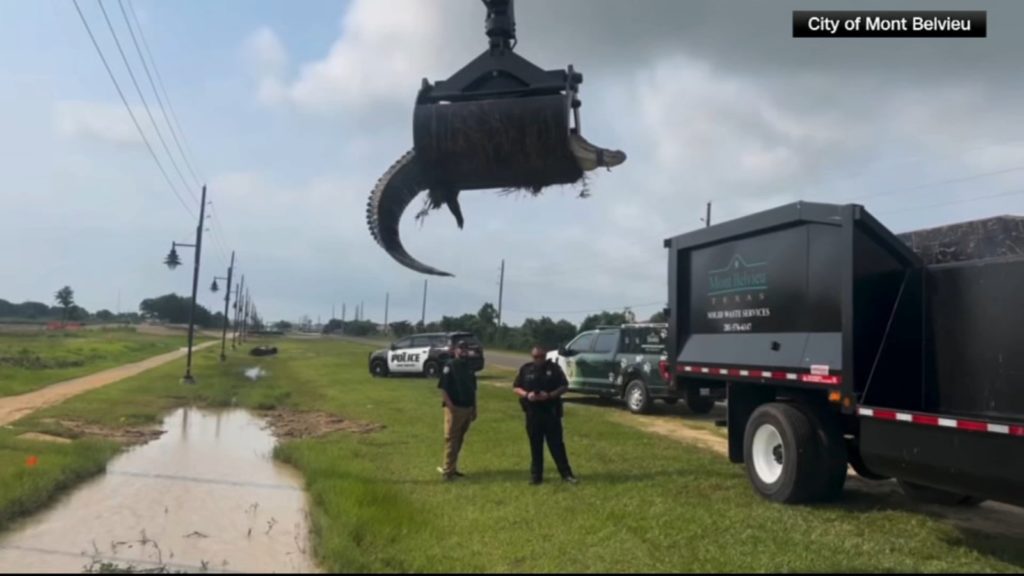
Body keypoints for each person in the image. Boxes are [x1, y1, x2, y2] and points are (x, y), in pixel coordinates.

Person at [513, 346, 577, 485]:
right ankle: (536, 476)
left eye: (541, 356)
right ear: (532, 356)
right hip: (532, 413)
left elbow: (564, 386)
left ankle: (566, 474)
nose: (538, 359)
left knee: (557, 445)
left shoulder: (554, 369)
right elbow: (516, 387)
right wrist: (527, 395)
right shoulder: (526, 369)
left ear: (545, 356)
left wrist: (549, 395)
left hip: (551, 412)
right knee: (535, 446)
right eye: (535, 357)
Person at [437, 340, 478, 481]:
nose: (463, 351)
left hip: (467, 407)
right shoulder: (450, 365)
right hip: (455, 408)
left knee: (459, 439)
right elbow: (444, 388)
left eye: (465, 348)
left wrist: (474, 408)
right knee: (451, 439)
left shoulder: (469, 367)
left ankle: (453, 468)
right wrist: (450, 406)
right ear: (455, 350)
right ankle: (447, 471)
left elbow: (473, 390)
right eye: (460, 348)